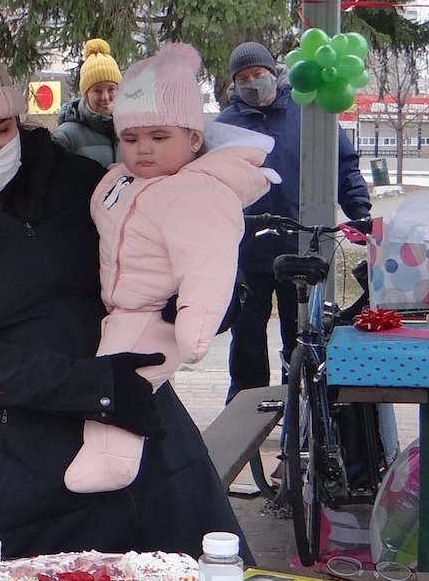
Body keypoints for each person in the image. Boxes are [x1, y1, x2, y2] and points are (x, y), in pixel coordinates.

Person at [0, 23, 253, 561]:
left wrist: (213, 298)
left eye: (2, 128)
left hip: (155, 450)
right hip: (30, 477)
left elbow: (168, 237)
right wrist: (93, 386)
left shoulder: (75, 179)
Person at [65, 43, 276, 494]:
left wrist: (196, 322)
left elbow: (208, 261)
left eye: (159, 138)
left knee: (121, 379)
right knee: (104, 370)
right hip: (118, 305)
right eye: (130, 138)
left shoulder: (196, 193)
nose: (142, 150)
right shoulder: (124, 180)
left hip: (154, 314)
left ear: (193, 139)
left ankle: (113, 460)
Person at [215, 41, 372, 402]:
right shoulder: (226, 126)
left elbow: (342, 164)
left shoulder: (309, 113)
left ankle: (302, 406)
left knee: (300, 334)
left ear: (274, 73)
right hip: (246, 249)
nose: (253, 83)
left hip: (300, 243)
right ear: (234, 85)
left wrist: (358, 210)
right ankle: (246, 407)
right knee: (247, 335)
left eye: (258, 74)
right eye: (243, 78)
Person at [53, 38, 122, 166]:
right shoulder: (66, 136)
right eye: (97, 91)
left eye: (111, 89)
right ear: (86, 94)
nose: (105, 97)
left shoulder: (133, 130)